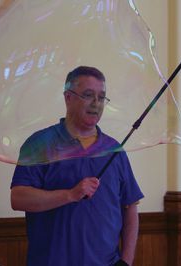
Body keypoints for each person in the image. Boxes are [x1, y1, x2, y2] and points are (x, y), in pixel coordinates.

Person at [10, 66, 144, 266]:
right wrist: (70, 195)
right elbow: (18, 198)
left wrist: (126, 261)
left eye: (101, 97)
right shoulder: (41, 143)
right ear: (68, 97)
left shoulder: (114, 149)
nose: (96, 104)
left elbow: (130, 207)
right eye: (88, 95)